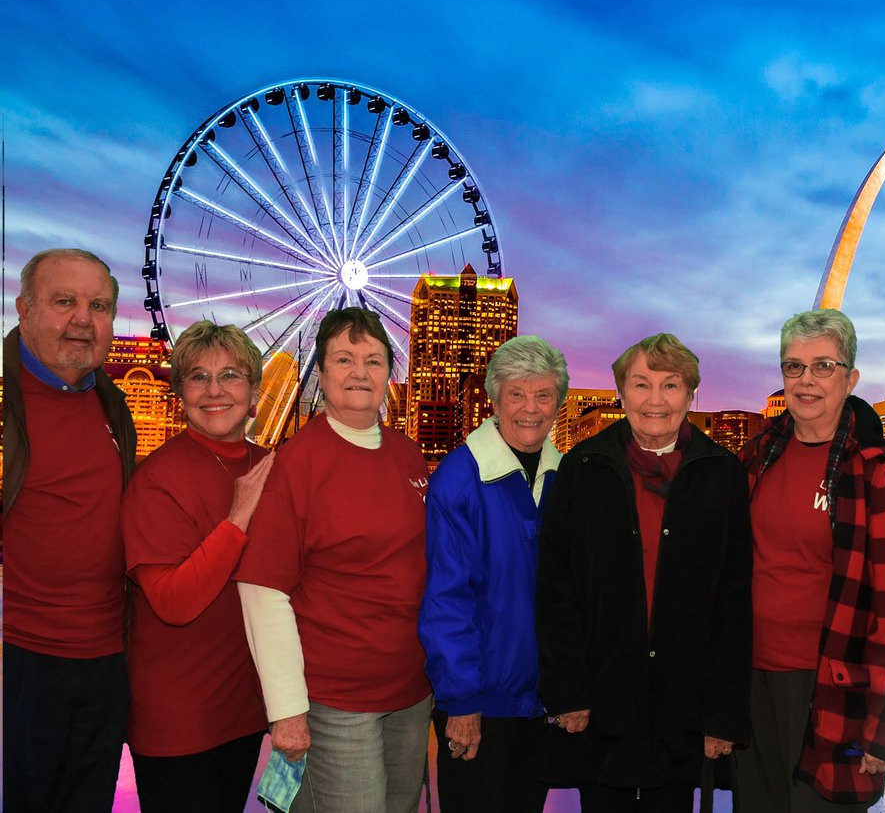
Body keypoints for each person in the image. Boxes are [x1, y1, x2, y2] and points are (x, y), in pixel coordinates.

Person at [537, 332, 751, 812]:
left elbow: (733, 603)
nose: (655, 400)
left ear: (691, 394)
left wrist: (723, 716)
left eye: (671, 385)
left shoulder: (720, 473)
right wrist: (566, 691)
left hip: (684, 707)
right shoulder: (584, 467)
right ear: (621, 392)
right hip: (601, 700)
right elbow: (556, 588)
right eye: (641, 384)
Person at [236, 308, 432, 813]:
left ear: (390, 372)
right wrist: (287, 711)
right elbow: (263, 589)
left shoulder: (410, 457)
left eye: (372, 360)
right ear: (320, 373)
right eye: (344, 359)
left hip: (411, 691)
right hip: (335, 699)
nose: (359, 372)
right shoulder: (298, 462)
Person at [736, 309, 885, 811]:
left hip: (831, 690)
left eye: (823, 366)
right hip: (751, 684)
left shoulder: (880, 474)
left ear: (851, 377)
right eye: (793, 367)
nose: (806, 381)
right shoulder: (757, 456)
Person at [2, 248, 137, 813]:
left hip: (107, 663)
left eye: (98, 306)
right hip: (26, 667)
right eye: (65, 302)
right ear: (24, 309)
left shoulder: (115, 406)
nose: (84, 319)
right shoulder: (7, 410)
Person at [121, 321, 275, 812]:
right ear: (180, 391)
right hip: (178, 719)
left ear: (254, 390)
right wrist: (239, 515)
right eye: (197, 377)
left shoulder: (273, 464)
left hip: (246, 710)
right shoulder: (157, 480)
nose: (215, 390)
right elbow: (173, 601)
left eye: (230, 375)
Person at [419, 334, 570, 812]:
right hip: (479, 704)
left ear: (558, 403)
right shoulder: (460, 478)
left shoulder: (565, 478)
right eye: (517, 394)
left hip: (541, 705)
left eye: (543, 394)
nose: (530, 408)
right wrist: (462, 702)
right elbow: (447, 600)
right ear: (494, 398)